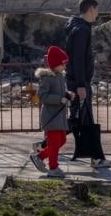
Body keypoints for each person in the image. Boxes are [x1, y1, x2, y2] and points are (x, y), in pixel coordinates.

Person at [65, 0, 111, 168]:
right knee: (77, 120)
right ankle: (44, 147)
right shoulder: (81, 30)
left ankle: (97, 158)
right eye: (96, 10)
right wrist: (81, 84)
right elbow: (78, 59)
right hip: (80, 83)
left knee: (83, 120)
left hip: (78, 81)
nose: (97, 13)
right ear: (91, 10)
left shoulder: (77, 27)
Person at [30, 45, 73, 178]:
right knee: (54, 143)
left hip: (59, 116)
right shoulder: (47, 77)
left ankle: (40, 156)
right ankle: (53, 168)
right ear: (55, 64)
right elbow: (42, 96)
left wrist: (67, 95)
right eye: (63, 64)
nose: (65, 66)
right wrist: (60, 99)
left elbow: (59, 93)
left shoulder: (60, 76)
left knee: (62, 140)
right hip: (51, 116)